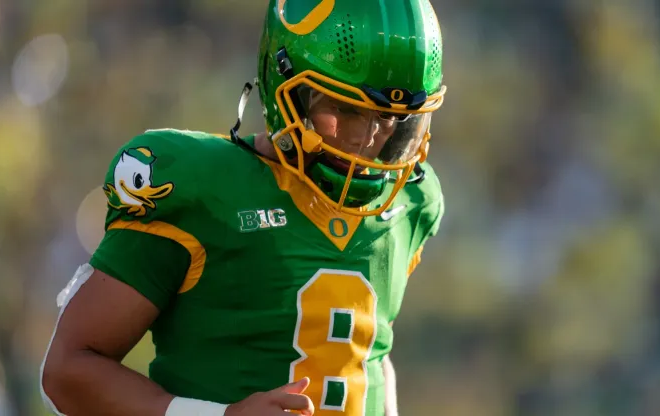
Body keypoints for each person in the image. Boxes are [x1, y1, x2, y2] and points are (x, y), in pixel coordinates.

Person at [40, 0, 447, 415]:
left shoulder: (412, 200)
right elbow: (68, 371)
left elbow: (369, 351)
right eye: (343, 109)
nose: (365, 137)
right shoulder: (199, 184)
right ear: (284, 82)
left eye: (389, 117)